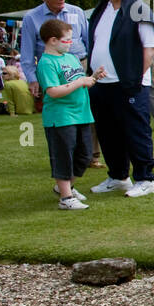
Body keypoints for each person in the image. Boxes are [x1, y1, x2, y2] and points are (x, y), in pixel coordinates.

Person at [85, 0, 154, 198]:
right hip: (102, 83)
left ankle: (145, 178)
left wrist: (135, 77)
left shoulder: (137, 8)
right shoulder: (102, 9)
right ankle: (118, 176)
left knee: (135, 131)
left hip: (129, 83)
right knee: (108, 132)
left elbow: (150, 47)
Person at [35, 19, 101, 210]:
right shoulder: (47, 63)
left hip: (82, 114)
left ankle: (66, 188)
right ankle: (65, 198)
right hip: (61, 117)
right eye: (67, 39)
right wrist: (81, 82)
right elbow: (53, 91)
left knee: (85, 155)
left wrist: (94, 76)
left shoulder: (71, 58)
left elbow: (78, 80)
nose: (71, 43)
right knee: (64, 155)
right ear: (53, 40)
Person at [20, 0, 88, 97]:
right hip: (51, 71)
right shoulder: (31, 17)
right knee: (57, 106)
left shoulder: (77, 12)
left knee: (82, 105)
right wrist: (32, 79)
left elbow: (90, 41)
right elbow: (27, 52)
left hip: (80, 67)